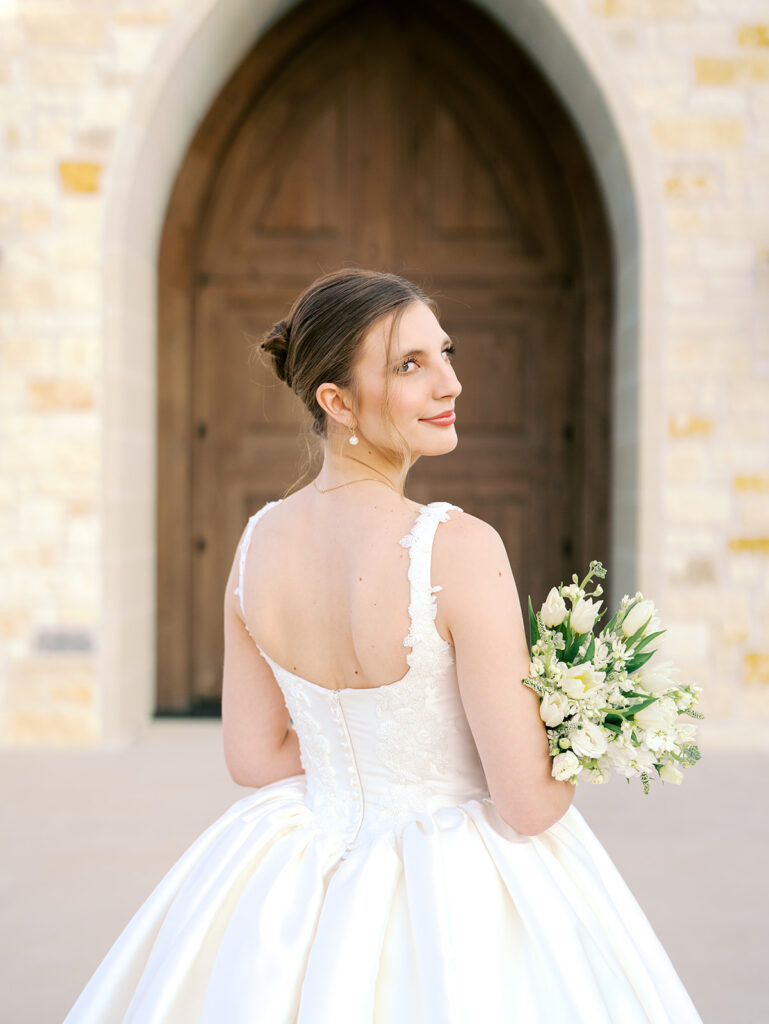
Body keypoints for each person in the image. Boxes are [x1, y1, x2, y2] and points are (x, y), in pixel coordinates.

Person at [64, 268, 703, 1023]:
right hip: (456, 893)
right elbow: (526, 804)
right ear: (335, 402)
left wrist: (359, 757)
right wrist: (582, 733)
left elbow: (252, 756)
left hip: (299, 870)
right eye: (410, 365)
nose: (450, 383)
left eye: (445, 353)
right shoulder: (455, 546)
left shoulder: (255, 541)